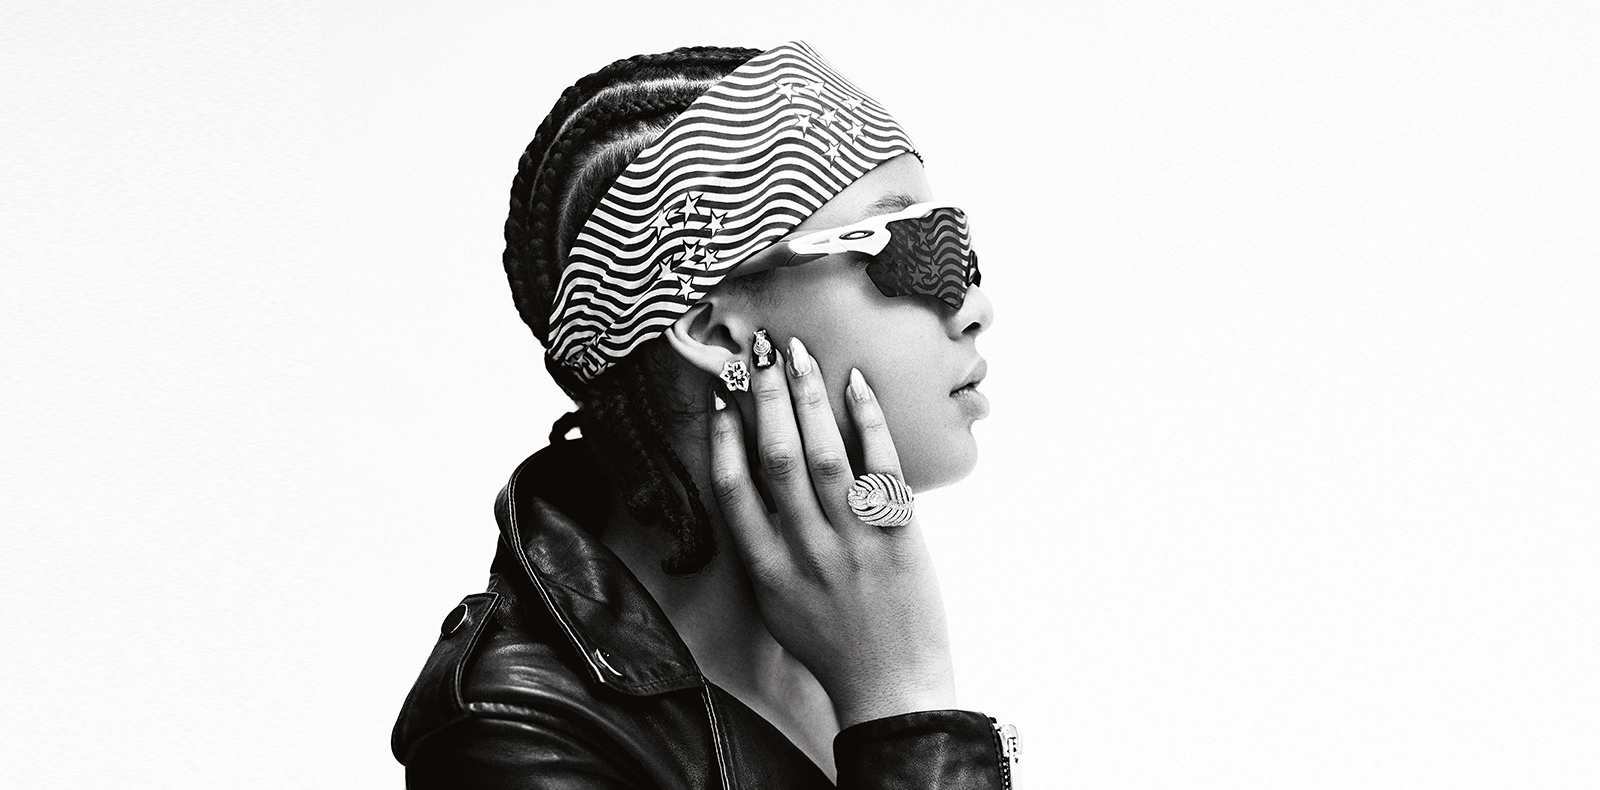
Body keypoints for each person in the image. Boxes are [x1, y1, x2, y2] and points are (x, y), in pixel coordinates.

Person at [392, 41, 1017, 788]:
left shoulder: (845, 631)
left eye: (959, 247)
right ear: (716, 334)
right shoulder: (514, 732)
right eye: (910, 246)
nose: (974, 306)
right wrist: (904, 708)